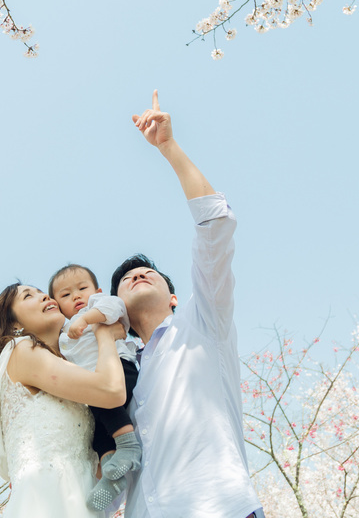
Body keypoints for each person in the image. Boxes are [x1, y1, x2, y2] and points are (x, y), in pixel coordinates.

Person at [110, 90, 264, 518]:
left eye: (148, 273)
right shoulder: (116, 378)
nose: (137, 276)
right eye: (125, 280)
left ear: (175, 295)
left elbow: (216, 222)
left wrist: (168, 147)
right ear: (117, 308)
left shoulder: (203, 321)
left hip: (222, 508)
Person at [0, 282, 127, 518]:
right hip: (45, 497)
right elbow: (112, 391)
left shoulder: (69, 368)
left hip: (81, 499)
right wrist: (105, 335)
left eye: (42, 292)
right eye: (28, 296)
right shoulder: (21, 349)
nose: (44, 297)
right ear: (14, 323)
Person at [48, 264, 142, 509]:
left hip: (120, 369)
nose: (76, 296)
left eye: (82, 288)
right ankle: (112, 470)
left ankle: (128, 446)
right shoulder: (63, 332)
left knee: (105, 407)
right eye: (66, 295)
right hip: (95, 387)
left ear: (97, 290)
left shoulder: (97, 306)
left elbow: (114, 307)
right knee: (98, 432)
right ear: (57, 306)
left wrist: (88, 319)